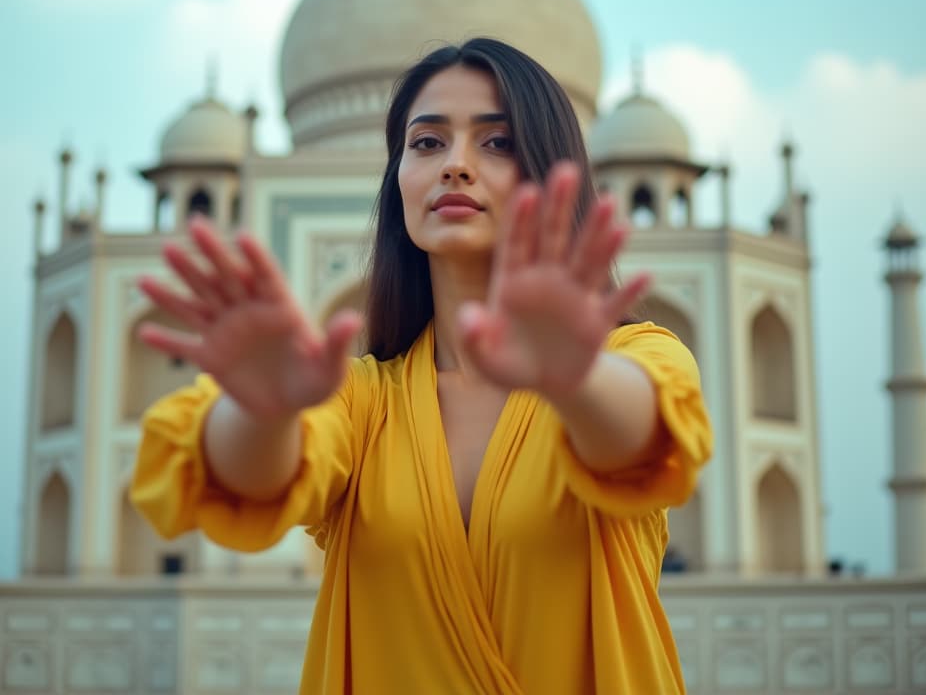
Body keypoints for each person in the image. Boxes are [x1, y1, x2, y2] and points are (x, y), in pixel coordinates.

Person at [131, 37, 713, 694]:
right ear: (397, 180)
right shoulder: (363, 400)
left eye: (496, 142)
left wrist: (574, 376)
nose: (455, 165)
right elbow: (255, 473)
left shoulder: (635, 360)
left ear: (553, 178)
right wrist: (264, 407)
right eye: (428, 143)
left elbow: (640, 437)